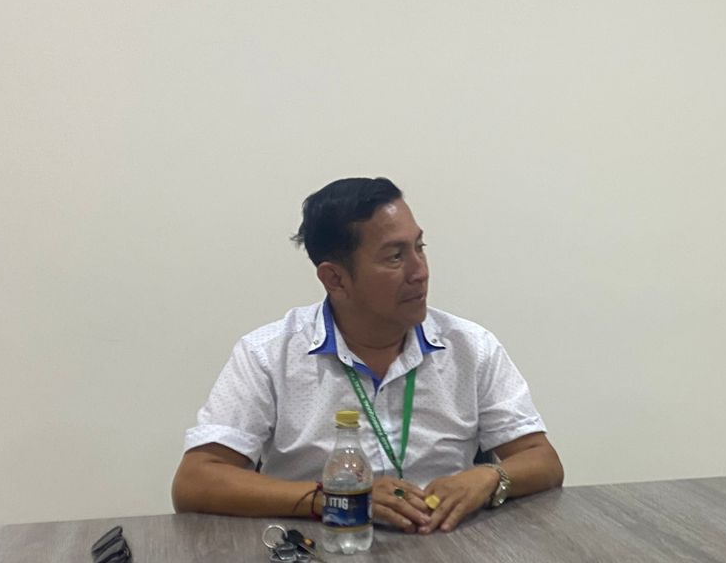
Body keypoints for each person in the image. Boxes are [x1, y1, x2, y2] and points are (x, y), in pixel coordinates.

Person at [173, 177, 563, 532]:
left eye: (420, 247)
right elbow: (195, 481)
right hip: (321, 550)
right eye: (395, 257)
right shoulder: (269, 354)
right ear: (335, 279)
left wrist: (488, 477)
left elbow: (542, 460)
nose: (420, 272)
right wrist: (333, 498)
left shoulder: (470, 347)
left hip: (446, 549)